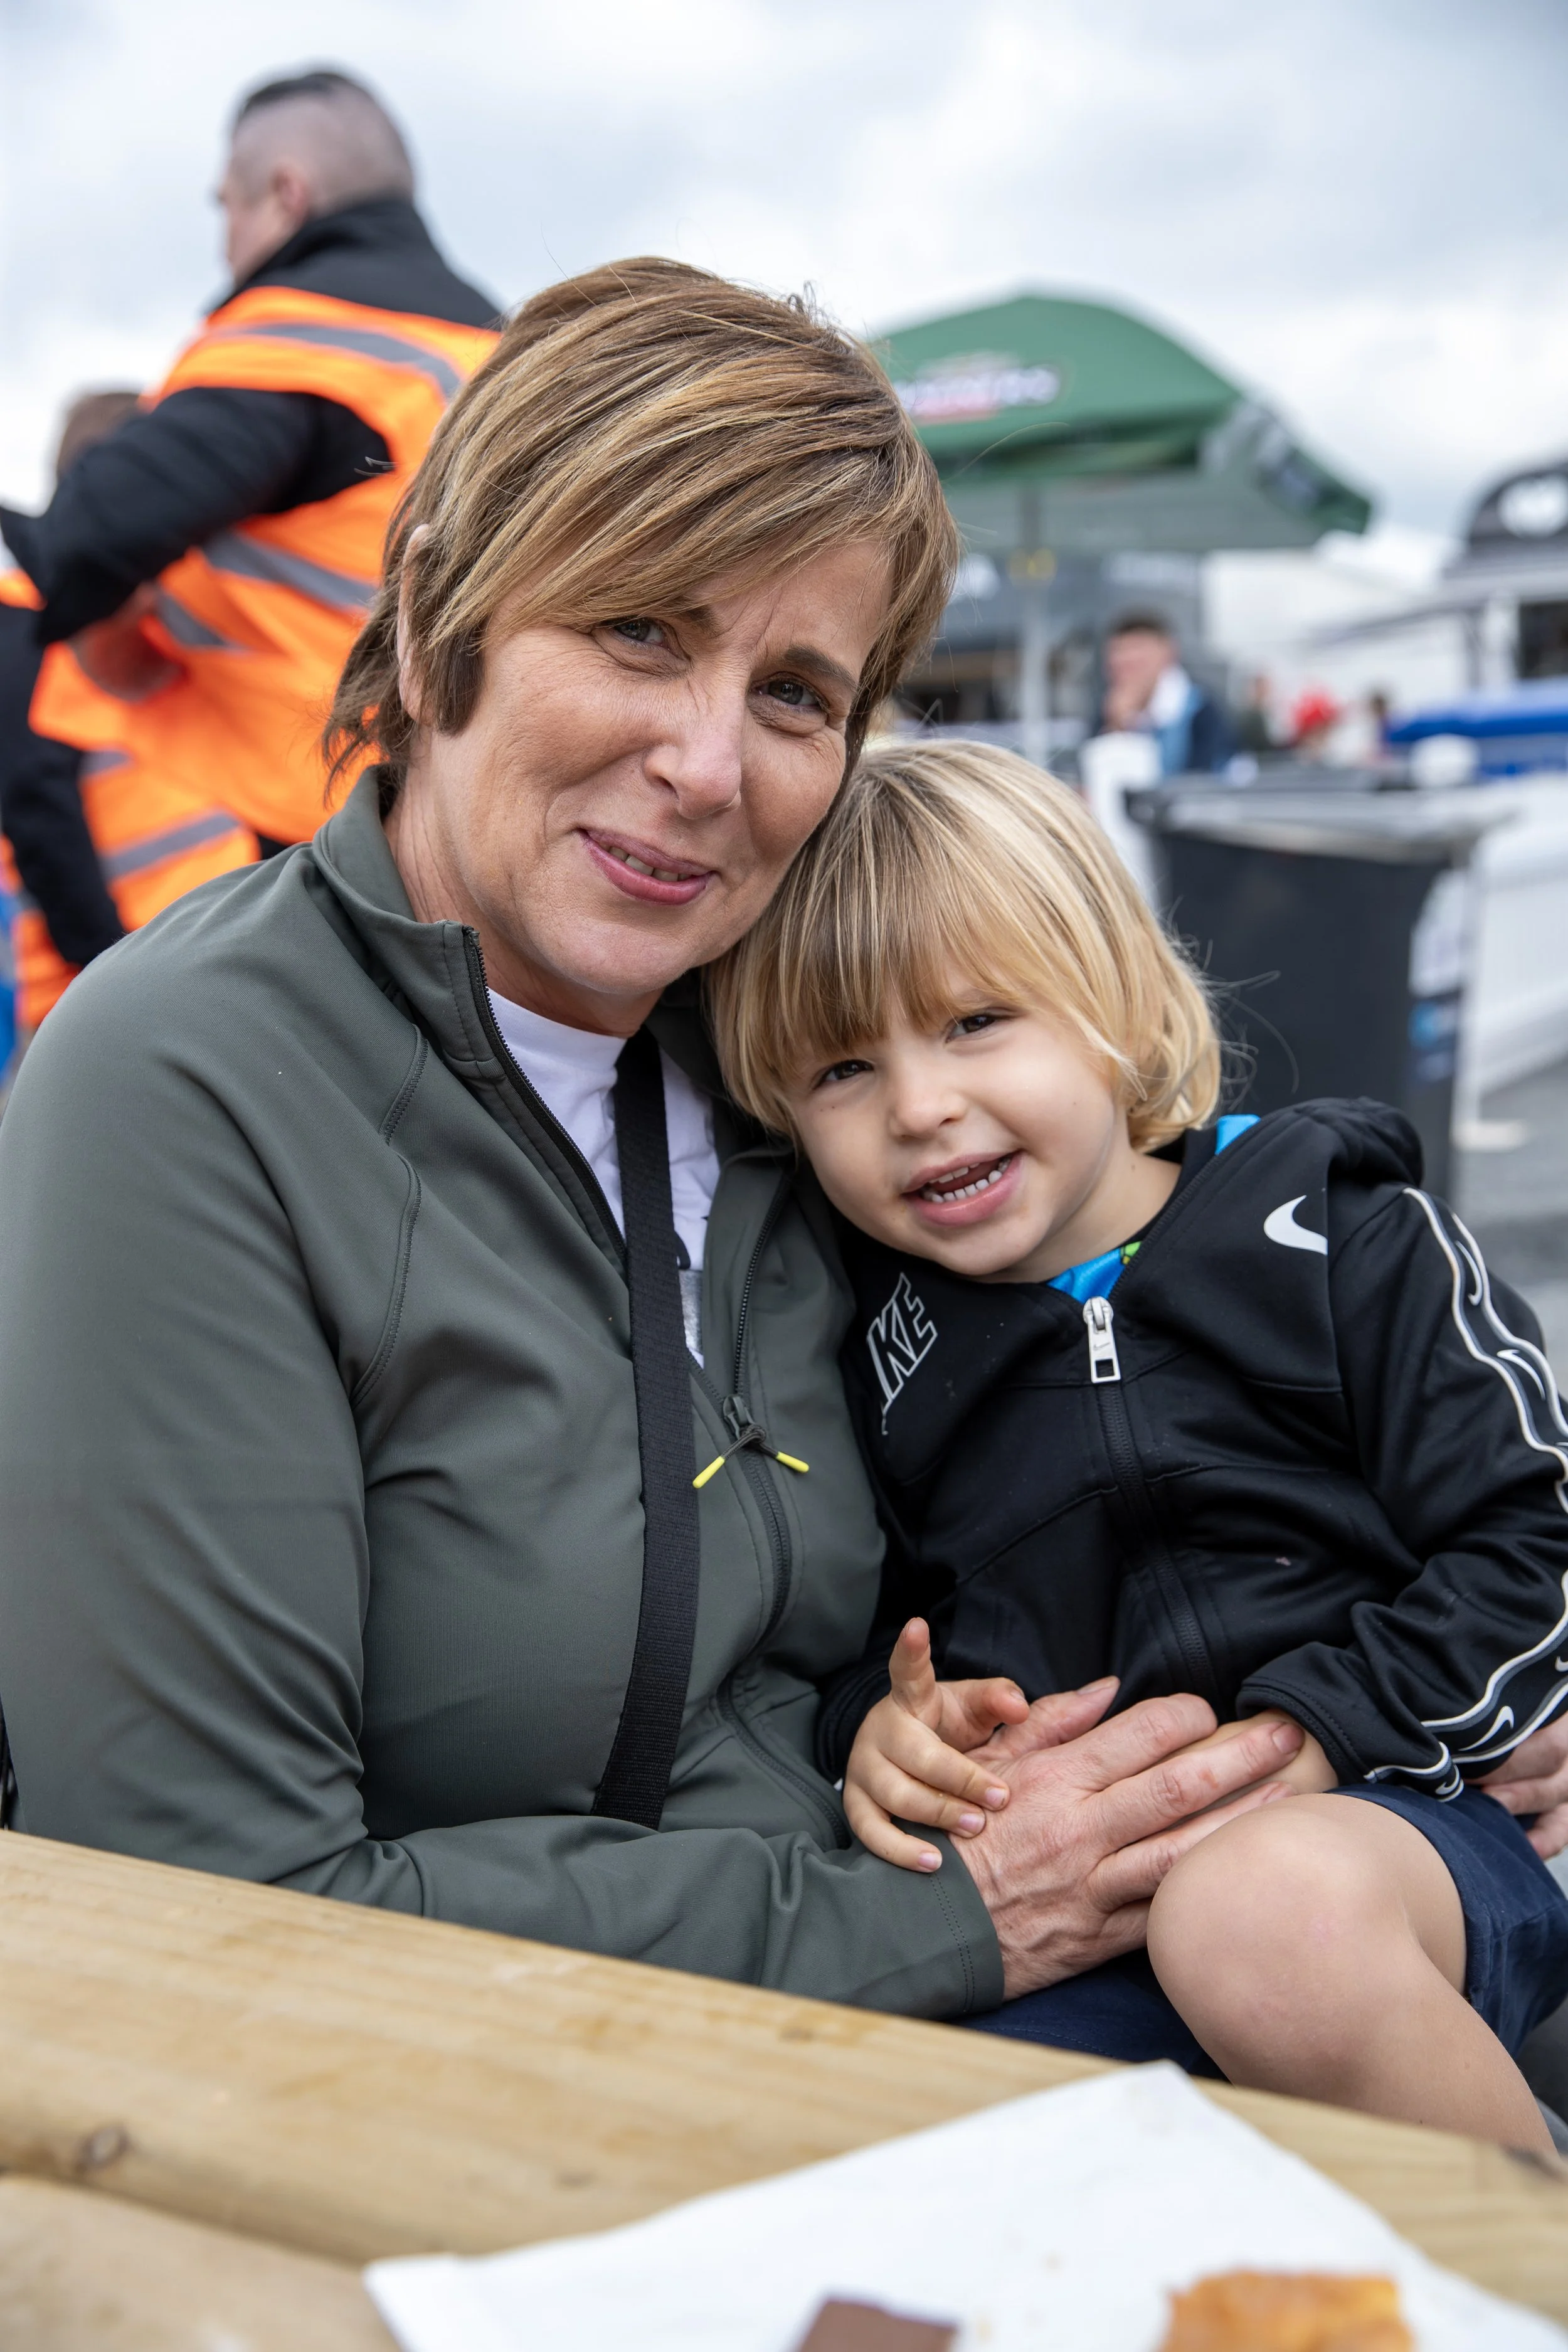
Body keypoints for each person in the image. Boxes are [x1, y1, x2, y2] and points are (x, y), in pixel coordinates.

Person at [0, 258, 1345, 2019]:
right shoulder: (182, 1080)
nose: (708, 764)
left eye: (795, 692)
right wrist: (936, 1919)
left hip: (1029, 1976)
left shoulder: (801, 1045)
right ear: (435, 621)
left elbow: (1172, 1327)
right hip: (509, 2118)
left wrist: (1463, 1679)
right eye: (639, 627)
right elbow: (205, 1901)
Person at [706, 738, 1568, 2146]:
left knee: (1259, 1918)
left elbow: (1532, 1532)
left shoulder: (1340, 1235)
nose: (919, 1105)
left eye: (977, 1020)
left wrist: (1315, 1737)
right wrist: (885, 1726)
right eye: (841, 1069)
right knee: (875, 2118)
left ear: (1109, 1003)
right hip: (1084, 1921)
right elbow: (857, 1632)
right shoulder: (868, 1358)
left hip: (1388, 1847)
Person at [0, 68, 499, 851]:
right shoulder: (506, 355)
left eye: (226, 209)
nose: (224, 242)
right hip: (488, 805)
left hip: (341, 817)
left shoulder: (294, 337)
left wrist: (125, 657)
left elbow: (83, 541)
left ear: (286, 194)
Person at [1, 393, 257, 1034]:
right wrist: (115, 980)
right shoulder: (29, 618)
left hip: (206, 961)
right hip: (113, 996)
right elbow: (42, 817)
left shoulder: (161, 608)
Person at [1095, 611, 1232, 775]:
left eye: (1137, 650)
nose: (1127, 660)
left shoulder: (1200, 710)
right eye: (1119, 652)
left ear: (1168, 653)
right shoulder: (1106, 711)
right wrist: (1116, 727)